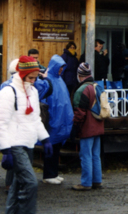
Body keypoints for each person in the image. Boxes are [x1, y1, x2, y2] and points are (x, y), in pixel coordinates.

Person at [0, 56, 53, 214]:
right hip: (14, 143)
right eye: (31, 77)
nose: (34, 81)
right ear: (21, 74)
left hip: (29, 142)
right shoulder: (7, 92)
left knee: (18, 184)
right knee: (30, 183)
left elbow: (35, 118)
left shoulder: (33, 92)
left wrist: (45, 139)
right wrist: (5, 150)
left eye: (36, 77)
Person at [41, 55, 74, 184]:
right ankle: (48, 175)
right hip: (53, 119)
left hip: (61, 119)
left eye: (62, 67)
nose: (61, 70)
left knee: (56, 147)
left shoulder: (59, 80)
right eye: (60, 67)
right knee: (51, 148)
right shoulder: (48, 80)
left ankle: (53, 173)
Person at [72, 63, 103, 191]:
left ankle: (86, 183)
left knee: (85, 155)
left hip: (87, 127)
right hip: (98, 126)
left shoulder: (82, 90)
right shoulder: (98, 87)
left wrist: (75, 129)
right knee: (96, 155)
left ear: (79, 75)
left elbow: (79, 113)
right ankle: (97, 180)